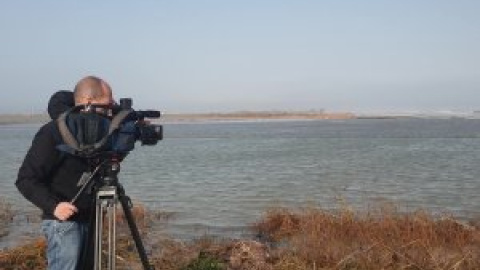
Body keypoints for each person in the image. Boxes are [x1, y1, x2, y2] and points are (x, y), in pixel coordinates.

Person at [16, 76, 115, 270]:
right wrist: (54, 206)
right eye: (106, 105)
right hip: (63, 223)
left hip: (90, 218)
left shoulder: (98, 132)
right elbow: (25, 179)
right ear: (88, 103)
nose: (109, 112)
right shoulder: (53, 132)